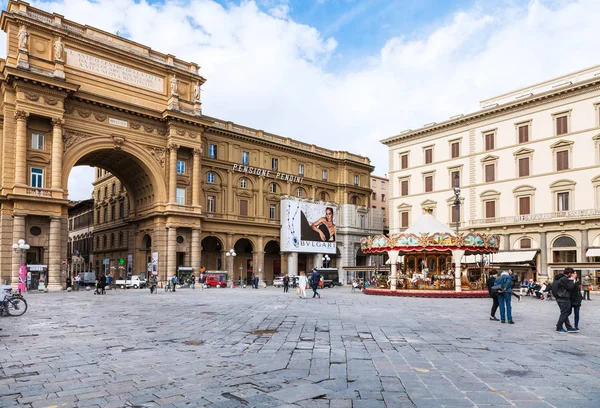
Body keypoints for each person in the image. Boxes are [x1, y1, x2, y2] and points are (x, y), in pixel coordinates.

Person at [551, 267, 577, 333]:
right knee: (566, 313)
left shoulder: (558, 279)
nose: (573, 275)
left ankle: (568, 327)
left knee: (564, 313)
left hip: (559, 298)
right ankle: (559, 327)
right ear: (569, 273)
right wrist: (572, 279)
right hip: (564, 298)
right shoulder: (564, 279)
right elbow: (570, 287)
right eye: (572, 274)